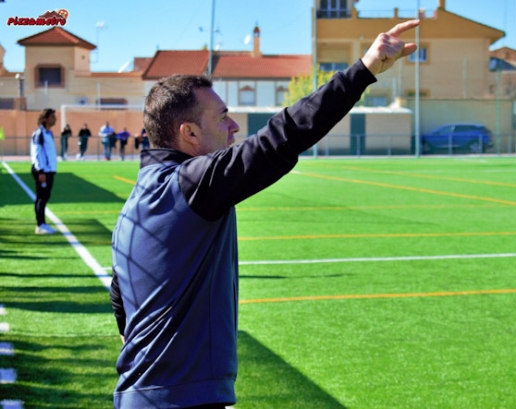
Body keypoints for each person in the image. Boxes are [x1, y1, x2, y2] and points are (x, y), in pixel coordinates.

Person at [110, 20, 419, 408]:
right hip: (182, 401)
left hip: (139, 396)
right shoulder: (191, 185)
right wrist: (364, 71)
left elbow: (121, 300)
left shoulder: (133, 206)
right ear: (189, 134)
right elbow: (281, 137)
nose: (234, 126)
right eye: (222, 117)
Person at [30, 108, 59, 235]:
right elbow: (36, 153)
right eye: (52, 117)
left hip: (49, 171)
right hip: (43, 171)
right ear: (45, 119)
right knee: (41, 198)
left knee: (45, 197)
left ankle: (43, 223)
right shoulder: (39, 134)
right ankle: (40, 225)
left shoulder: (49, 133)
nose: (55, 119)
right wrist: (40, 171)